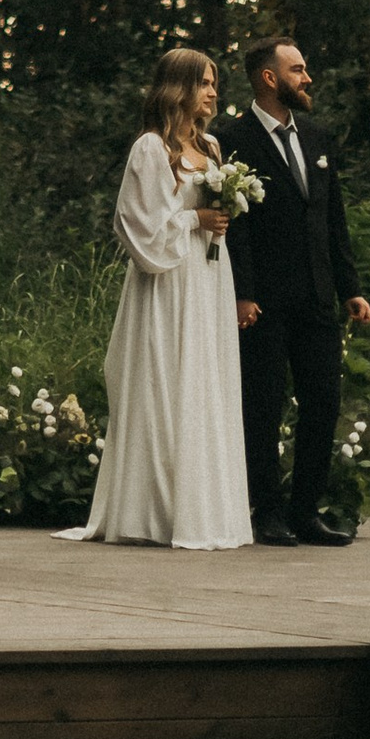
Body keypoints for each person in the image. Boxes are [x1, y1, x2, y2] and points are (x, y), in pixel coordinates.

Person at [68, 42, 252, 550]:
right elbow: (136, 222)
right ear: (180, 88)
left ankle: (202, 506)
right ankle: (153, 511)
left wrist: (221, 219)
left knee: (204, 381)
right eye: (206, 82)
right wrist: (195, 219)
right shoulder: (151, 148)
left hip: (209, 278)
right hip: (168, 280)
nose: (214, 92)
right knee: (166, 377)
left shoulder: (212, 149)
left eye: (216, 83)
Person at [223, 28, 370, 549]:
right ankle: (267, 512)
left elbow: (334, 218)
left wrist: (350, 287)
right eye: (298, 70)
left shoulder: (318, 137)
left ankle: (306, 511)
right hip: (262, 300)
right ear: (269, 78)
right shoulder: (231, 138)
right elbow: (234, 226)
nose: (308, 78)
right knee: (262, 406)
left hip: (317, 295)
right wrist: (242, 293)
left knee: (323, 403)